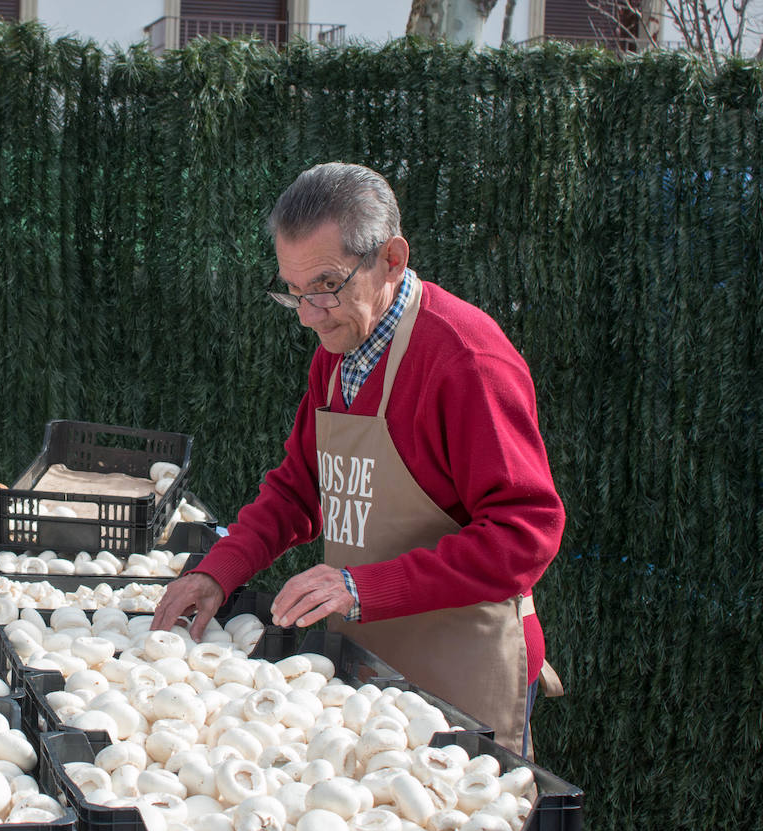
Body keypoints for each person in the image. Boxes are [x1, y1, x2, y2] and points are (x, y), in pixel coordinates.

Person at [152, 162, 564, 758]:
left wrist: (361, 585)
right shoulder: (342, 348)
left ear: (391, 260)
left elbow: (526, 534)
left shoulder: (465, 360)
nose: (307, 314)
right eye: (292, 292)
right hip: (369, 667)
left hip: (461, 669)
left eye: (326, 285)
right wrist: (217, 572)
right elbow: (301, 490)